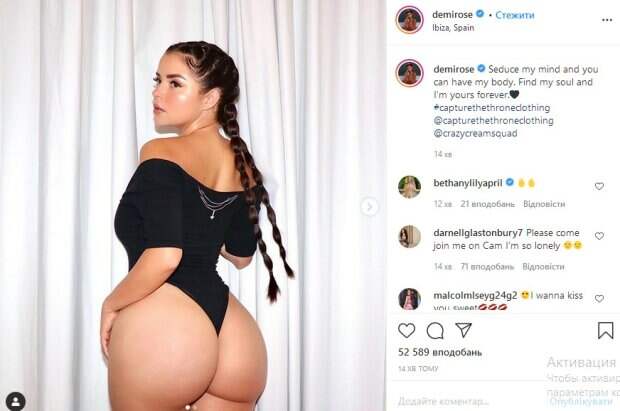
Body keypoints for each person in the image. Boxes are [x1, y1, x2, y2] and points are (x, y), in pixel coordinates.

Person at [101, 41, 295, 411]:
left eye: (175, 83)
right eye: (158, 81)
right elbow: (240, 256)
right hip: (234, 337)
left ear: (210, 98)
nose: (158, 92)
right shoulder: (245, 167)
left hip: (168, 326)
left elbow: (165, 257)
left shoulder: (160, 152)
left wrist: (112, 304)